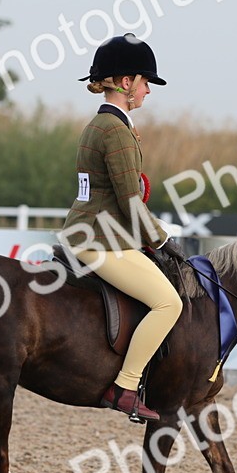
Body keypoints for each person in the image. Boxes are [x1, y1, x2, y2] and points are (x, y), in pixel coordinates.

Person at [61, 33, 184, 422]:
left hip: (96, 232)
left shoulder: (101, 124)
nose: (148, 90)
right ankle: (126, 387)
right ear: (126, 82)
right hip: (99, 241)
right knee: (170, 303)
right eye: (145, 81)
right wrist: (162, 238)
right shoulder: (115, 131)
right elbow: (131, 201)